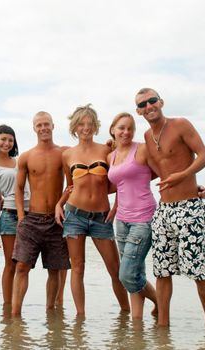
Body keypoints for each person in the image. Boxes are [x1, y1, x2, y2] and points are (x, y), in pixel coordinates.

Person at [135, 87, 205, 329]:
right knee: (161, 271)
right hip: (164, 211)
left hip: (189, 208)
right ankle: (163, 327)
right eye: (142, 104)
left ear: (161, 102)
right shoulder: (148, 139)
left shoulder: (180, 124)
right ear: (138, 111)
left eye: (152, 101)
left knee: (197, 270)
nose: (148, 106)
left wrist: (184, 176)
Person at [54, 104, 130, 316]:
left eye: (90, 124)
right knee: (77, 269)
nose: (85, 128)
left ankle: (126, 314)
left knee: (115, 270)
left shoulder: (106, 150)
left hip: (101, 218)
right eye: (81, 123)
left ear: (95, 126)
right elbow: (69, 186)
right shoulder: (67, 155)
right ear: (74, 127)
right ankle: (80, 318)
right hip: (74, 216)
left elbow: (119, 179)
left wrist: (116, 206)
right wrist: (59, 204)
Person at [12, 111, 71, 317]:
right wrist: (21, 216)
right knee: (21, 266)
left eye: (47, 124)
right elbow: (18, 188)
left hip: (57, 220)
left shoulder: (64, 153)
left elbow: (72, 183)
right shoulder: (26, 157)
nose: (43, 128)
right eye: (39, 125)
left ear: (53, 126)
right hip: (32, 219)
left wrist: (61, 204)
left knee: (54, 270)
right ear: (34, 128)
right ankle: (15, 316)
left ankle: (50, 313)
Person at [107, 112, 158, 320]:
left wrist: (194, 187)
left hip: (143, 218)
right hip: (122, 220)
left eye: (130, 128)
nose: (126, 132)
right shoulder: (110, 156)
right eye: (121, 128)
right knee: (136, 273)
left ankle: (160, 303)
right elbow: (120, 184)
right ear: (113, 130)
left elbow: (165, 169)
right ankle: (137, 327)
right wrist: (114, 207)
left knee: (127, 275)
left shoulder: (143, 149)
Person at [0, 125, 30, 306]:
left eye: (10, 140)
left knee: (24, 265)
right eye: (3, 139)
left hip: (30, 215)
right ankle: (7, 306)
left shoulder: (21, 161)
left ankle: (17, 305)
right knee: (11, 264)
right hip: (9, 217)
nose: (6, 143)